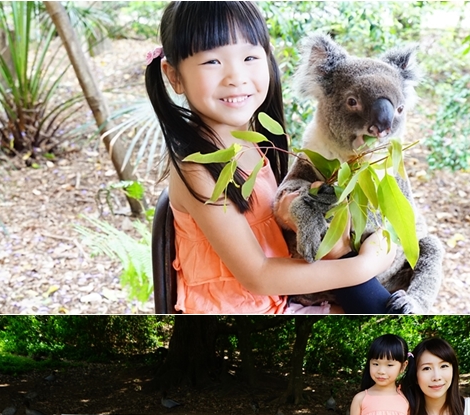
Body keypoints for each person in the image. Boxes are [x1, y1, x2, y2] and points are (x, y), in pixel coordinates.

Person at [146, 1, 398, 313]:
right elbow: (259, 275)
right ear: (174, 76)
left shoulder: (258, 144)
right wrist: (365, 265)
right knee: (376, 313)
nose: (236, 77)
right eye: (212, 61)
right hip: (242, 312)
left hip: (281, 300)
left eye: (249, 57)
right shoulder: (197, 167)